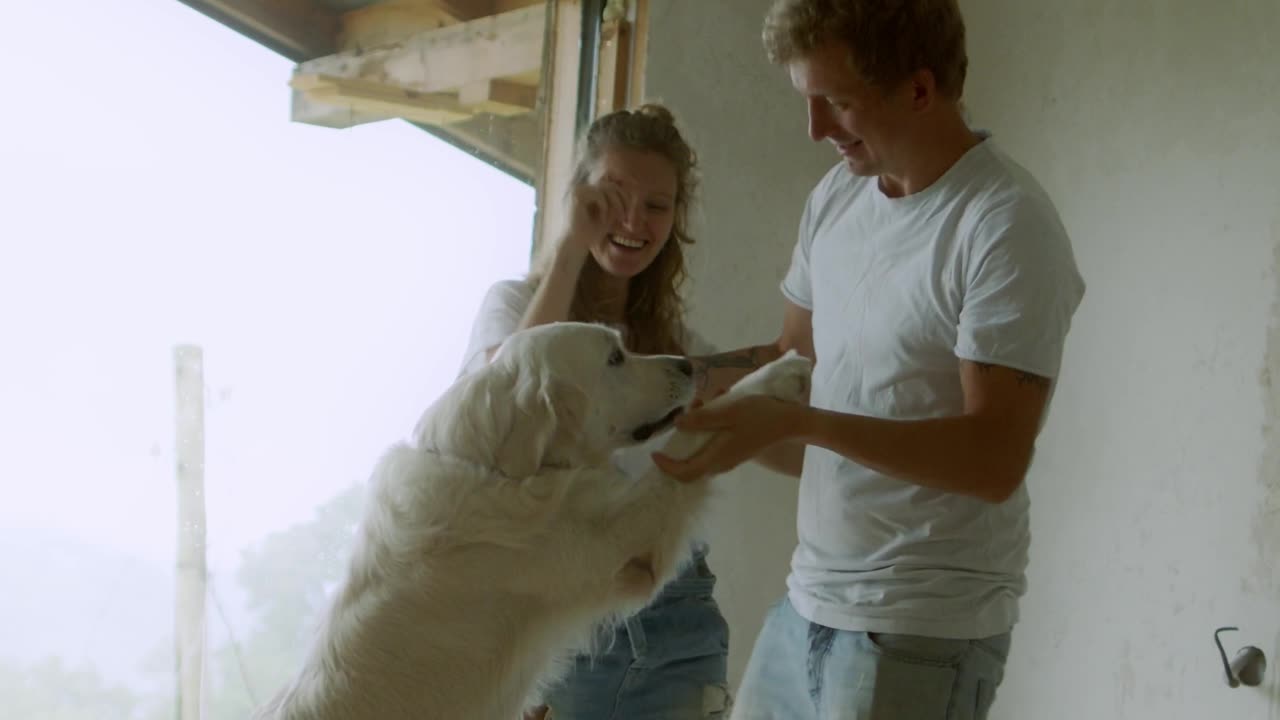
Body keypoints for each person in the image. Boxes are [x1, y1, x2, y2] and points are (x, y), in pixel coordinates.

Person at [652, 1, 1086, 718]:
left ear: (919, 89)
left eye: (838, 103)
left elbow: (993, 460)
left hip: (921, 630)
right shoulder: (835, 198)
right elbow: (792, 365)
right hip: (806, 607)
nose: (816, 129)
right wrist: (661, 390)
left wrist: (801, 424)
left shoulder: (1005, 227)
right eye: (808, 100)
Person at [456, 103, 732, 719]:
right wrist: (572, 248)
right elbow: (508, 401)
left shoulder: (678, 351)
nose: (634, 220)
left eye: (657, 206)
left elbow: (768, 430)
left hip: (677, 625)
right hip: (561, 627)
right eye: (612, 196)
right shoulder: (513, 305)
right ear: (578, 196)